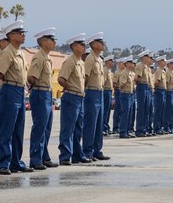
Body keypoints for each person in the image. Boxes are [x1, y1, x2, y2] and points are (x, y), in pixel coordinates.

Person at [0, 20, 33, 175]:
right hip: (9, 89)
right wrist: (7, 79)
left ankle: (16, 161)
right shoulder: (7, 52)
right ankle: (3, 163)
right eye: (20, 33)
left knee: (18, 129)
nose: (23, 36)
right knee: (7, 129)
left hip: (20, 91)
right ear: (12, 36)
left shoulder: (20, 53)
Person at [27, 28, 59, 170]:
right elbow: (31, 77)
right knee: (39, 127)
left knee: (47, 128)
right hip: (40, 93)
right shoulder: (39, 57)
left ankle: (44, 156)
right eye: (52, 39)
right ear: (44, 42)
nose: (54, 42)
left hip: (47, 93)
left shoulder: (48, 58)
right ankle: (35, 159)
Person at [58, 33, 91, 164]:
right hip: (71, 97)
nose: (84, 47)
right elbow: (61, 79)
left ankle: (77, 154)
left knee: (78, 129)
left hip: (79, 98)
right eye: (82, 44)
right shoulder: (70, 61)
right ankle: (65, 155)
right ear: (74, 46)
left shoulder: (81, 63)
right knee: (68, 128)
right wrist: (71, 88)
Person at [82, 33, 110, 161]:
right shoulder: (90, 59)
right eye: (100, 41)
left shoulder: (99, 59)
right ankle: (87, 150)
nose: (103, 44)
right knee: (90, 123)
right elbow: (86, 77)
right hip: (91, 92)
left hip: (100, 92)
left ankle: (97, 150)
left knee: (99, 123)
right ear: (93, 44)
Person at [135, 50, 154, 137]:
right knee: (141, 109)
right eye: (147, 57)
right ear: (143, 58)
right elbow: (136, 78)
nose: (148, 59)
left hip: (147, 88)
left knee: (146, 110)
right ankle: (139, 130)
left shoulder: (146, 67)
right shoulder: (140, 66)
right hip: (142, 87)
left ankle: (144, 129)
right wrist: (142, 82)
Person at [117, 56, 137, 138]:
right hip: (125, 94)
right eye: (130, 63)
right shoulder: (124, 73)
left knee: (130, 113)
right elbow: (121, 84)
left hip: (131, 94)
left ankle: (128, 130)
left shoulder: (131, 73)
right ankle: (123, 131)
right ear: (126, 64)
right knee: (125, 113)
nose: (132, 64)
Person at [153, 55, 168, 135]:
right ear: (160, 62)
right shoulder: (159, 70)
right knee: (158, 110)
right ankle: (157, 128)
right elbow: (156, 82)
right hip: (159, 91)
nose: (165, 62)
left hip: (163, 91)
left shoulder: (163, 71)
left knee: (162, 110)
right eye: (164, 60)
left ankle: (160, 127)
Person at [102, 55, 114, 135]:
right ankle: (103, 127)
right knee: (105, 111)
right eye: (111, 61)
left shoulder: (109, 71)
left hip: (109, 91)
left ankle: (106, 126)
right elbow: (102, 82)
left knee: (108, 111)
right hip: (105, 91)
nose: (112, 63)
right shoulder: (105, 70)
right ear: (107, 62)